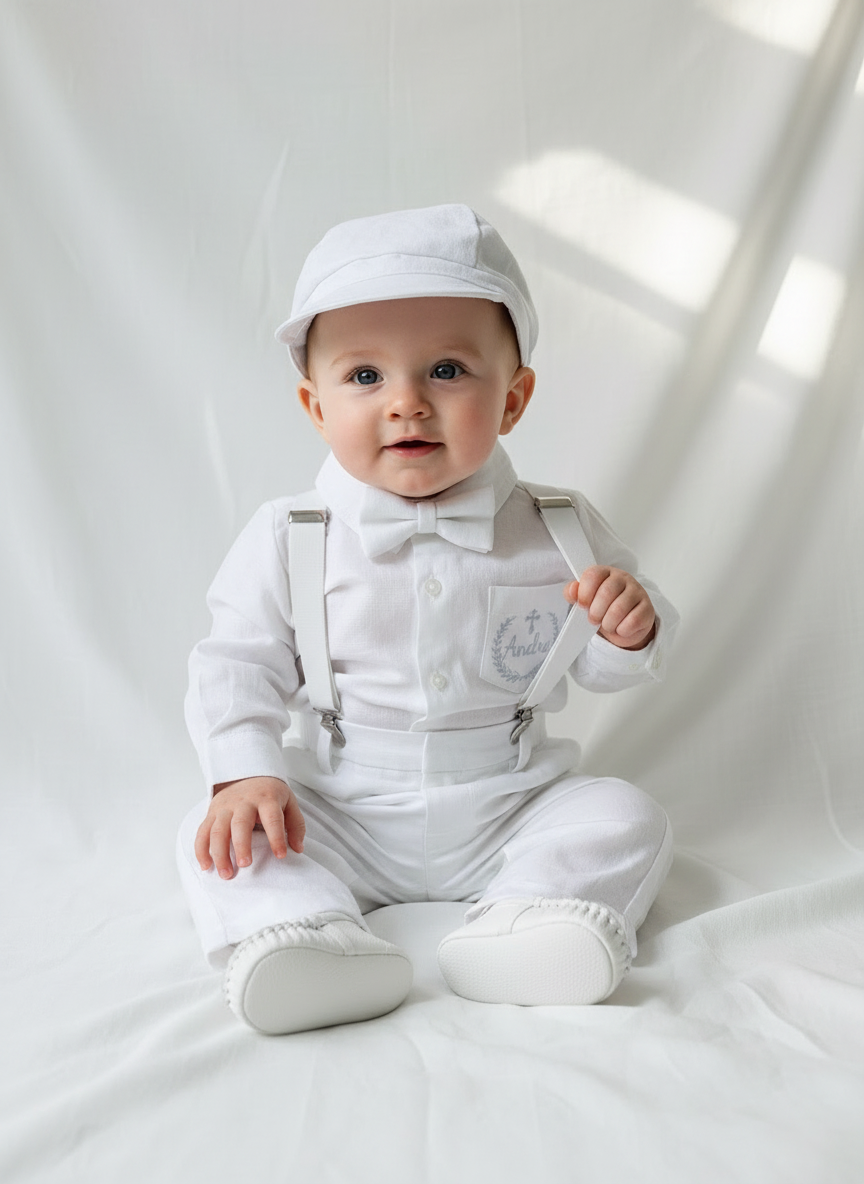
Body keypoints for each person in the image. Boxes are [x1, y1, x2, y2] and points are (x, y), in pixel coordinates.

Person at [177, 203, 679, 1035]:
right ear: (314, 405)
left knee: (628, 817)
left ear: (513, 398)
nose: (406, 403)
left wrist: (628, 629)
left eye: (447, 371)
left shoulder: (558, 525)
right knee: (219, 833)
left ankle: (529, 921)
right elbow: (237, 662)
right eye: (364, 377)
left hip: (510, 800)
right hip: (343, 806)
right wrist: (247, 773)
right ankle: (304, 935)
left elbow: (596, 659)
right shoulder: (289, 535)